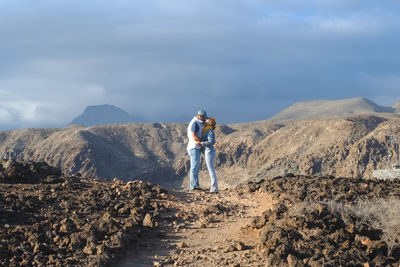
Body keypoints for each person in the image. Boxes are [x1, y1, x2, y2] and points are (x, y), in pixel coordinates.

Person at [197, 116, 218, 193]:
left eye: (206, 120)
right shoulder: (207, 130)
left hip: (209, 151)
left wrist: (201, 143)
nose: (205, 121)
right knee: (210, 169)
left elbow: (211, 141)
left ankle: (214, 189)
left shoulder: (209, 131)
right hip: (207, 151)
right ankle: (213, 187)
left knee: (211, 169)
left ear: (209, 123)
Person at [187, 110, 207, 190]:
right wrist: (203, 141)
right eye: (203, 117)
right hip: (194, 147)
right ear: (200, 116)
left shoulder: (197, 122)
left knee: (195, 167)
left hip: (195, 147)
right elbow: (194, 137)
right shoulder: (195, 123)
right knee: (194, 168)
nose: (204, 119)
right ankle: (194, 186)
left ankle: (195, 185)